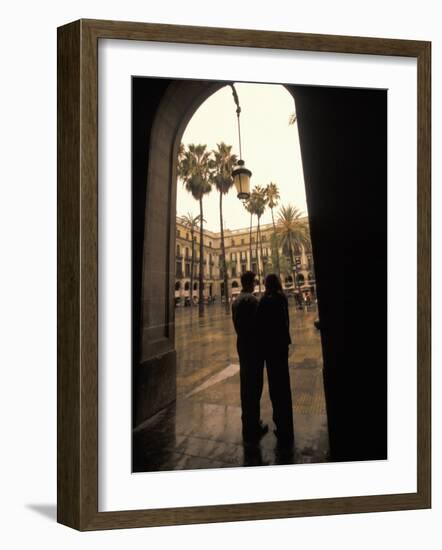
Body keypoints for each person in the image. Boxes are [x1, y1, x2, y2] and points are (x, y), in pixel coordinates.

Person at [257, 273, 295, 447]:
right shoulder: (282, 298)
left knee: (275, 385)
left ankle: (281, 425)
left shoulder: (266, 301)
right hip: (282, 345)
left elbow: (260, 323)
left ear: (267, 285)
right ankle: (287, 425)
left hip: (270, 348)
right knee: (284, 385)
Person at [232, 271, 268, 444]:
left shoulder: (236, 301)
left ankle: (248, 423)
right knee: (255, 385)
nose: (255, 283)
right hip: (254, 346)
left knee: (245, 385)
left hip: (242, 344)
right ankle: (254, 425)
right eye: (254, 281)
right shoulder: (252, 301)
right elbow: (260, 324)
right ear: (250, 283)